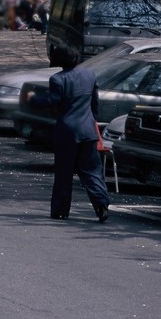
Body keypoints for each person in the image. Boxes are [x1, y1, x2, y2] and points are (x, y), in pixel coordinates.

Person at [28, 43, 110, 222]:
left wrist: (33, 99)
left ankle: (60, 210)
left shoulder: (58, 79)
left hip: (67, 131)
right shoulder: (89, 75)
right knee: (91, 170)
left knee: (64, 173)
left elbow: (53, 101)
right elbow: (94, 103)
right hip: (88, 130)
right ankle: (101, 203)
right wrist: (91, 119)